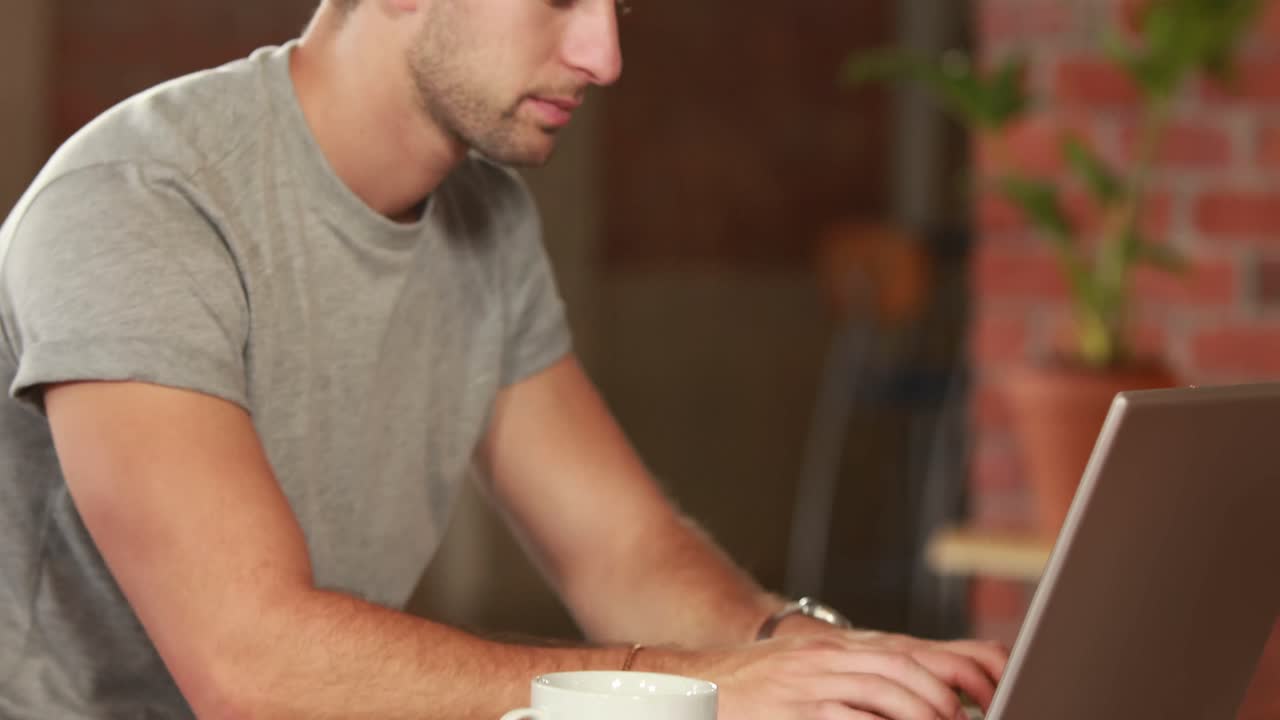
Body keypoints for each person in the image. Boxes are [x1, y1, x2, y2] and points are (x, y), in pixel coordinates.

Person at [0, 0, 1007, 717]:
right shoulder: (139, 202)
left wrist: (813, 657)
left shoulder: (486, 220)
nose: (604, 53)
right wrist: (695, 689)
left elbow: (620, 551)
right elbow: (251, 666)